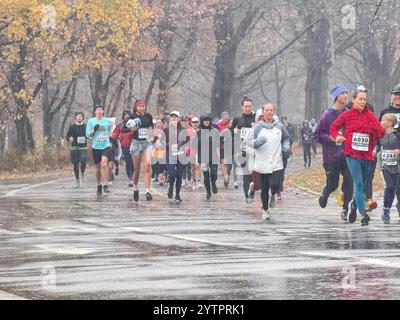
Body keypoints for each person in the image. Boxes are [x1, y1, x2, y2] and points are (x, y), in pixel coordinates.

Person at [331, 89, 384, 226]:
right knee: (359, 183)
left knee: (364, 184)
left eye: (364, 99)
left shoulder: (370, 115)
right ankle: (363, 213)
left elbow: (381, 132)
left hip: (366, 155)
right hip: (352, 154)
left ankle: (354, 206)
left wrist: (373, 128)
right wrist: (337, 136)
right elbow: (333, 127)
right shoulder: (347, 115)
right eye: (360, 99)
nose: (362, 101)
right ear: (353, 100)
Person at [244, 103, 290, 221]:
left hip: (276, 162)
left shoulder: (279, 126)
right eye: (267, 110)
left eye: (271, 110)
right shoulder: (258, 127)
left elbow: (285, 138)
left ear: (274, 112)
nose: (269, 112)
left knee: (275, 184)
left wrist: (285, 147)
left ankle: (273, 194)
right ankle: (265, 210)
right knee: (264, 188)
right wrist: (257, 142)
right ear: (263, 112)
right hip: (262, 163)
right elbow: (248, 142)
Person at [314, 85, 354, 221]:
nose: (346, 95)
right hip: (331, 156)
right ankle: (326, 192)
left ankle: (345, 209)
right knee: (333, 184)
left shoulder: (349, 113)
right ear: (336, 96)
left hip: (348, 154)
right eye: (343, 93)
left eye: (346, 93)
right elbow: (317, 134)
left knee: (349, 181)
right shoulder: (327, 115)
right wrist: (331, 138)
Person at [160, 111, 190, 204]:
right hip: (170, 156)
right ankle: (170, 187)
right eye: (172, 116)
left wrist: (183, 149)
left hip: (181, 156)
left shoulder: (184, 130)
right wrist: (170, 145)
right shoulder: (166, 130)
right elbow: (162, 142)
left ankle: (177, 194)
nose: (173, 118)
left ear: (179, 119)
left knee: (179, 175)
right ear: (170, 118)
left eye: (175, 117)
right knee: (172, 174)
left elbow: (187, 143)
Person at [379, 85, 400, 216]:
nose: (397, 97)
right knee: (392, 185)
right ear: (391, 96)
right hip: (387, 157)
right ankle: (387, 208)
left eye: (399, 95)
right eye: (395, 94)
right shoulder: (385, 111)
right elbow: (378, 132)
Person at [129, 98, 154, 202]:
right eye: (139, 106)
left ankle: (148, 191)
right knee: (137, 169)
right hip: (136, 143)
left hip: (146, 143)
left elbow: (151, 127)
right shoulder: (132, 116)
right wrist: (135, 126)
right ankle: (135, 188)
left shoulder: (148, 116)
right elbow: (130, 129)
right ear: (136, 107)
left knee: (147, 166)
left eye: (143, 106)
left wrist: (151, 134)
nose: (142, 107)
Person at [377, 113, 400, 224]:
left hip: (395, 167)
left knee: (393, 189)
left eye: (384, 120)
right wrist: (373, 151)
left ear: (390, 123)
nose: (381, 122)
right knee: (389, 186)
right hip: (384, 166)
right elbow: (376, 145)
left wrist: (399, 151)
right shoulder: (380, 134)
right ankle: (385, 210)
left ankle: (388, 209)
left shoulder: (397, 135)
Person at [232, 96, 256, 203]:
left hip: (255, 150)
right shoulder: (237, 119)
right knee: (246, 173)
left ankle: (252, 191)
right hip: (242, 150)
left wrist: (256, 126)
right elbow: (230, 131)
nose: (248, 108)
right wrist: (234, 130)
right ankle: (246, 195)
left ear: (252, 107)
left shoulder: (256, 118)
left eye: (250, 106)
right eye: (246, 106)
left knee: (254, 174)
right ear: (242, 107)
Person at [86, 105, 113, 196]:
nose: (99, 111)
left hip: (105, 145)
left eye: (101, 109)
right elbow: (88, 135)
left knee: (104, 164)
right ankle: (99, 185)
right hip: (96, 146)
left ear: (103, 111)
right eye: (97, 110)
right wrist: (94, 130)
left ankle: (105, 185)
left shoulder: (107, 121)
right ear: (95, 112)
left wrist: (110, 140)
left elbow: (110, 131)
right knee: (97, 167)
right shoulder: (91, 121)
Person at [197, 114, 220, 200]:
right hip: (203, 156)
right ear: (202, 122)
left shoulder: (214, 130)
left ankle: (213, 183)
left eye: (208, 120)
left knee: (214, 174)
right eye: (205, 120)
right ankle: (208, 192)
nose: (206, 122)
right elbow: (195, 145)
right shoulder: (198, 132)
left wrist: (218, 154)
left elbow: (218, 143)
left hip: (213, 155)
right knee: (206, 176)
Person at [112, 110, 134, 187]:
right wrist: (112, 138)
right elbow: (114, 133)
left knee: (132, 162)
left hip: (134, 145)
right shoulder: (120, 125)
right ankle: (130, 178)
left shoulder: (134, 124)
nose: (126, 115)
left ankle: (132, 175)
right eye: (125, 114)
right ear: (123, 116)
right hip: (125, 146)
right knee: (128, 162)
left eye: (128, 114)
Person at [66, 112, 87, 188]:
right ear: (75, 117)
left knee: (83, 160)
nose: (79, 117)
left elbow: (89, 135)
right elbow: (67, 136)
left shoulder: (86, 126)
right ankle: (77, 180)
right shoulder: (72, 127)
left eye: (81, 116)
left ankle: (82, 172)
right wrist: (69, 138)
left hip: (83, 148)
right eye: (78, 116)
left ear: (83, 118)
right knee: (75, 164)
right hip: (74, 148)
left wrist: (89, 138)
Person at [217, 111, 232, 188]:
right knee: (223, 162)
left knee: (229, 164)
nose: (226, 119)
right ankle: (226, 176)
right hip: (221, 146)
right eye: (224, 117)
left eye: (227, 118)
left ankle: (227, 173)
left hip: (230, 147)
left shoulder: (231, 124)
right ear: (222, 117)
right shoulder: (218, 125)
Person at [188, 116, 202, 190]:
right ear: (191, 123)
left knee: (198, 166)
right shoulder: (188, 131)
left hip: (199, 151)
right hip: (192, 151)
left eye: (196, 122)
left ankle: (199, 180)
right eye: (194, 122)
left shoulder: (200, 131)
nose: (195, 124)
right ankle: (194, 181)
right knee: (193, 167)